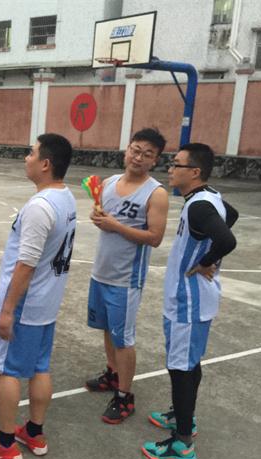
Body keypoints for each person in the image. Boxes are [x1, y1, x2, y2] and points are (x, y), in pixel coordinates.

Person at [0, 134, 76, 459]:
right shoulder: (66, 197)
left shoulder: (39, 208)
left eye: (31, 153)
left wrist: (7, 311)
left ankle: (5, 444)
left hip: (25, 305)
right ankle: (34, 431)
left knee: (7, 370)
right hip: (47, 303)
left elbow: (26, 264)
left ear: (45, 164)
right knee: (40, 367)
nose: (26, 158)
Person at [142, 142, 237, 459]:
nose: (170, 169)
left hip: (189, 301)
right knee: (188, 362)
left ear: (194, 172)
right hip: (193, 299)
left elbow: (227, 239)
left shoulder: (199, 207)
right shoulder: (206, 197)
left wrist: (206, 260)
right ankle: (184, 416)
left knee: (180, 367)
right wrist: (208, 253)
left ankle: (182, 443)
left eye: (177, 164)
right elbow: (232, 216)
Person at [84, 128, 169, 424]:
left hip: (126, 279)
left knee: (124, 338)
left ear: (155, 160)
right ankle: (112, 373)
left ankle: (124, 396)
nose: (139, 157)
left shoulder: (155, 193)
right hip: (101, 272)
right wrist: (99, 220)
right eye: (136, 150)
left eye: (147, 154)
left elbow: (155, 237)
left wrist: (115, 226)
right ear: (127, 150)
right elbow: (103, 219)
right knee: (107, 329)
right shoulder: (108, 183)